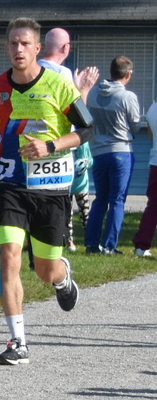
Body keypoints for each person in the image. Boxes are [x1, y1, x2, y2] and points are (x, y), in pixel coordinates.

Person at [0, 18, 90, 365]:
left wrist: (50, 146)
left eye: (25, 44)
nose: (19, 49)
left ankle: (62, 278)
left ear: (37, 49)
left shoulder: (59, 86)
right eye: (13, 44)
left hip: (51, 187)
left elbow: (87, 129)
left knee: (45, 270)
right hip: (11, 185)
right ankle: (18, 342)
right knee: (9, 257)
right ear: (7, 48)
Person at [38, 29, 100, 251]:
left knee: (36, 195)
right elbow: (78, 115)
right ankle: (63, 240)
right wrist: (82, 89)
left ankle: (38, 239)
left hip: (31, 144)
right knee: (62, 195)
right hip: (59, 145)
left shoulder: (32, 69)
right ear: (65, 48)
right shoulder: (61, 73)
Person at [85, 56, 140, 254]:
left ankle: (91, 243)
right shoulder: (127, 96)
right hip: (121, 151)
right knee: (117, 200)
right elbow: (135, 123)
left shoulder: (93, 93)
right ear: (128, 74)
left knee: (100, 198)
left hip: (98, 151)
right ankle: (109, 245)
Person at [133, 99, 157, 259]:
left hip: (155, 162)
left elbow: (150, 135)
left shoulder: (153, 107)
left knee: (153, 207)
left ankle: (142, 245)